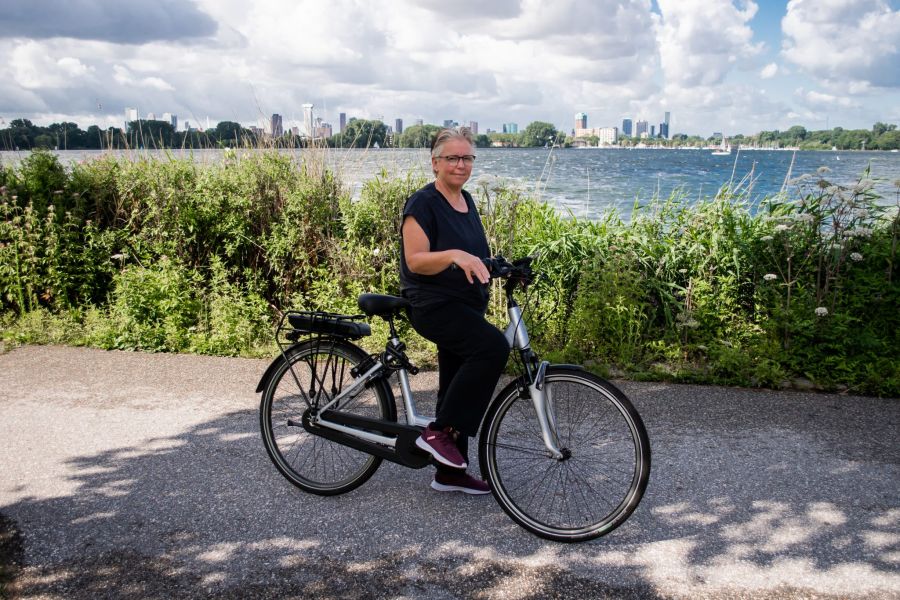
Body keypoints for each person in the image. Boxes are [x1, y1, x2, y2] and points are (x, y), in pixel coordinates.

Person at [400, 127, 510, 495]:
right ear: (435, 163)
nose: (460, 165)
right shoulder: (422, 204)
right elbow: (416, 261)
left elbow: (470, 256)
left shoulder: (467, 201)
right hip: (433, 305)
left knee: (455, 382)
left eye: (467, 158)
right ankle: (435, 433)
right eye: (452, 158)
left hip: (464, 305)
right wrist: (454, 256)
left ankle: (448, 473)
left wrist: (498, 266)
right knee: (492, 348)